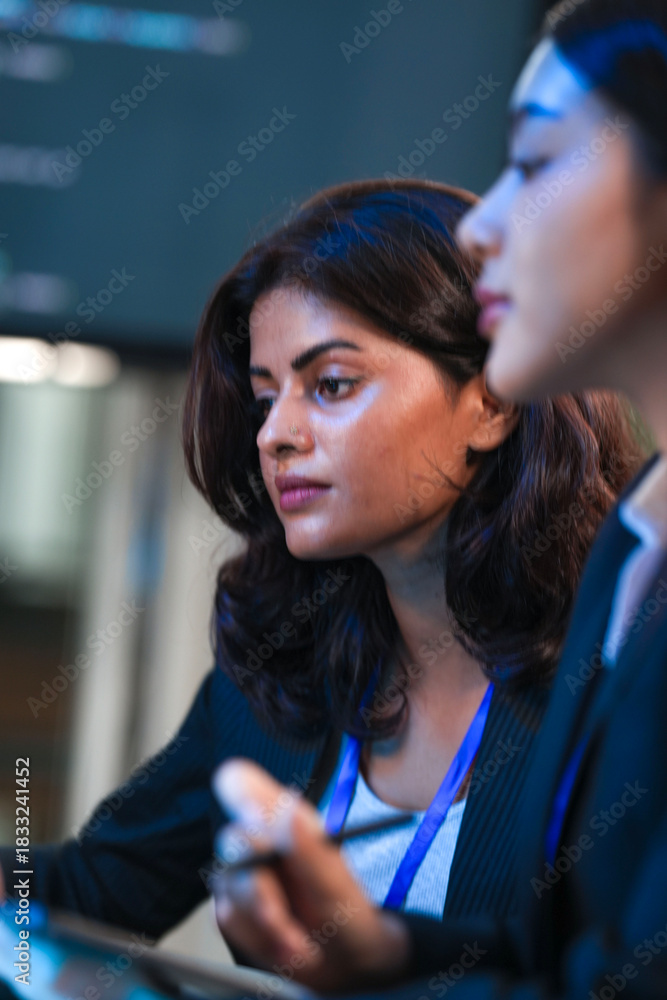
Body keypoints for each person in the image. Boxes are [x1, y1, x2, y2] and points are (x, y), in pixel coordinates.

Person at [0, 179, 643, 960]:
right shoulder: (277, 668)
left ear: (492, 402)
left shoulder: (627, 666)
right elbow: (82, 897)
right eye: (267, 398)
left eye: (330, 385)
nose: (274, 434)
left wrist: (380, 961)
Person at [206, 2, 667, 997]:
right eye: (264, 395)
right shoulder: (640, 550)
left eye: (537, 162)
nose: (483, 225)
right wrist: (371, 954)